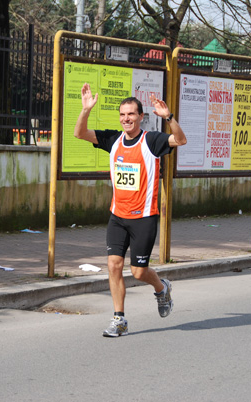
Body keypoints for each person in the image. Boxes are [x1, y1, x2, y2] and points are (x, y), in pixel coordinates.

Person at [74, 82, 187, 337]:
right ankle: (119, 319)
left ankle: (161, 288)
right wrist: (85, 110)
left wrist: (168, 117)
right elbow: (79, 133)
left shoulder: (152, 141)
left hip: (144, 218)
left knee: (138, 272)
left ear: (140, 117)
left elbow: (180, 139)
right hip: (118, 216)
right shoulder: (113, 140)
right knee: (113, 265)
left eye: (131, 114)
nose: (126, 119)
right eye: (123, 115)